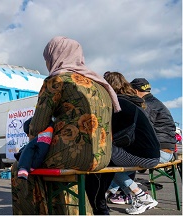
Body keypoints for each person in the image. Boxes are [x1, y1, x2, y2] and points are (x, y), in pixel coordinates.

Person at [11, 36, 120, 215]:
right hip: (102, 155)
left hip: (72, 155)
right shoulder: (99, 84)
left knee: (20, 167)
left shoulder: (56, 81)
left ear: (55, 56)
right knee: (56, 166)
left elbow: (37, 127)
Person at [103, 72, 160, 215]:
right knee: (112, 161)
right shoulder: (134, 102)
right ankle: (108, 192)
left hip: (144, 155)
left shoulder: (118, 103)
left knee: (103, 158)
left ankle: (141, 196)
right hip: (153, 153)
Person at [130, 78, 177, 163]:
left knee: (117, 158)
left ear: (135, 91)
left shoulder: (147, 105)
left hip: (159, 152)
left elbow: (143, 131)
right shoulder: (155, 103)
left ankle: (125, 177)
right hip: (167, 151)